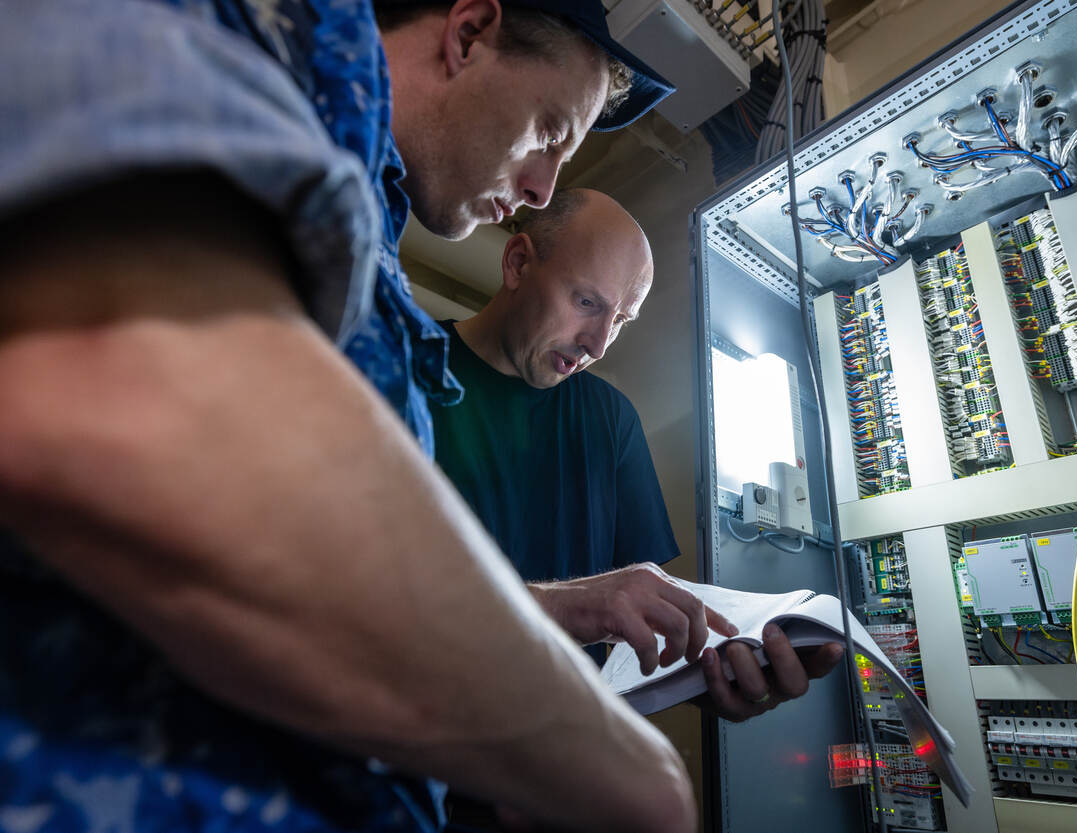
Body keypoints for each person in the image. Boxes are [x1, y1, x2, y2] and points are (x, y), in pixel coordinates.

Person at [0, 3, 700, 833]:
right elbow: (138, 405)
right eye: (549, 128)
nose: (544, 185)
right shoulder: (237, 40)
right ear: (468, 32)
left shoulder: (362, 228)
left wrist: (566, 617)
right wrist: (618, 767)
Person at [433, 188, 845, 724]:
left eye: (621, 320)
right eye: (587, 303)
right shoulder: (398, 374)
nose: (599, 344)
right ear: (517, 263)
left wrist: (713, 671)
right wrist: (563, 606)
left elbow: (638, 635)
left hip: (561, 759)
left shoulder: (612, 418)